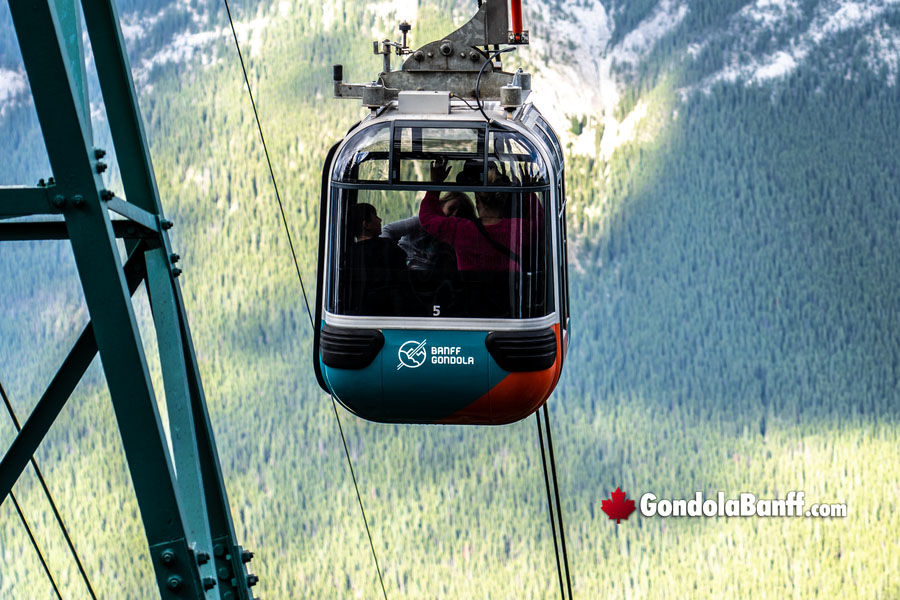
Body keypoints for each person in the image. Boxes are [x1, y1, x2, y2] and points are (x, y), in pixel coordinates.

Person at [381, 192, 475, 271]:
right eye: (451, 209)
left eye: (460, 214)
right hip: (401, 266)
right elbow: (387, 230)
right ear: (441, 205)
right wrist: (387, 257)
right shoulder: (421, 222)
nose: (454, 215)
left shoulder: (456, 240)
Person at [343, 203, 408, 315]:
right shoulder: (387, 247)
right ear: (366, 225)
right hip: (395, 307)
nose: (380, 220)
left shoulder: (349, 255)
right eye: (376, 217)